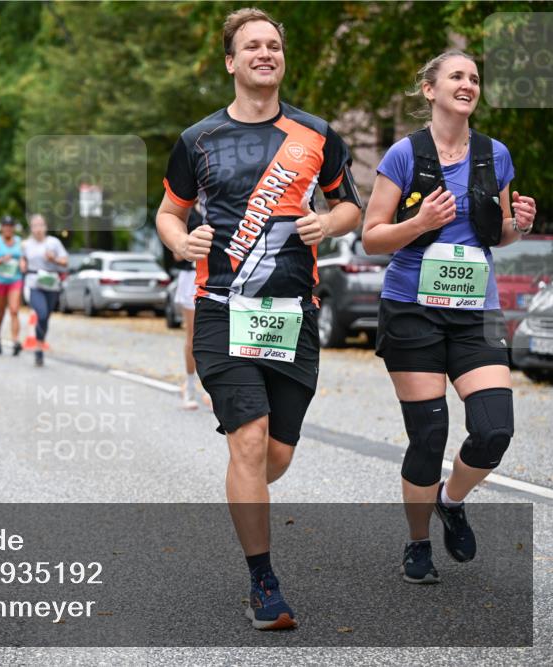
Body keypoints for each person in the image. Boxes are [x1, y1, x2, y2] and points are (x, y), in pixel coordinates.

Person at [155, 8, 362, 630]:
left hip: (294, 313)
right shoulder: (198, 140)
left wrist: (328, 223)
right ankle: (263, 582)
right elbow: (169, 211)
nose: (264, 53)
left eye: (273, 45)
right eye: (252, 46)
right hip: (222, 309)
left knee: (274, 456)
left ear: (281, 58)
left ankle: (245, 484)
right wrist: (179, 241)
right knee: (247, 441)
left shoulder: (316, 133)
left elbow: (350, 206)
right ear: (231, 61)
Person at [361, 50, 536, 584]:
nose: (467, 84)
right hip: (412, 307)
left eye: (474, 78)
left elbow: (496, 233)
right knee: (429, 434)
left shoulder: (493, 154)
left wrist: (519, 226)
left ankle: (451, 500)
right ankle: (417, 544)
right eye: (456, 76)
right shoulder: (403, 154)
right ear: (430, 89)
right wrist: (419, 222)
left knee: (493, 430)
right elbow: (371, 237)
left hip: (474, 309)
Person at [174, 202, 211, 410]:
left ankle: (211, 388)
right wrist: (193, 241)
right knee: (194, 336)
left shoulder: (221, 207)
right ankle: (189, 386)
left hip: (218, 276)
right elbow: (177, 254)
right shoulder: (187, 215)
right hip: (191, 276)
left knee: (218, 334)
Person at [21, 214, 68, 367]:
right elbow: (23, 259)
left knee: (45, 317)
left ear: (45, 227)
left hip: (51, 282)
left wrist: (53, 259)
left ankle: (39, 347)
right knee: (40, 313)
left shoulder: (54, 243)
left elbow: (65, 261)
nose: (38, 229)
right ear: (31, 228)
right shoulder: (26, 244)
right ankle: (38, 347)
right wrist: (22, 265)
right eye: (35, 225)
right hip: (34, 282)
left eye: (41, 225)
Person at [0, 215, 24, 355]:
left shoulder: (19, 242)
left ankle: (15, 341)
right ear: (2, 227)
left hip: (15, 279)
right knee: (1, 312)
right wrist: (1, 260)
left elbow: (22, 258)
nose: (8, 228)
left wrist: (22, 263)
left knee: (14, 310)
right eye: (6, 226)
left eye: (10, 226)